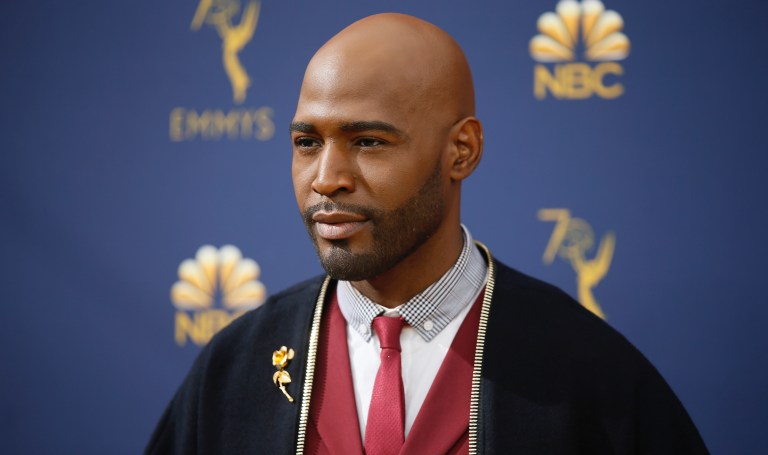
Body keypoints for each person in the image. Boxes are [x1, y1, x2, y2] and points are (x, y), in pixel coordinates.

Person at [146, 13, 709, 454]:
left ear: (461, 151)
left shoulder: (588, 372)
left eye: (368, 141)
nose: (327, 179)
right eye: (307, 143)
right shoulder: (235, 370)